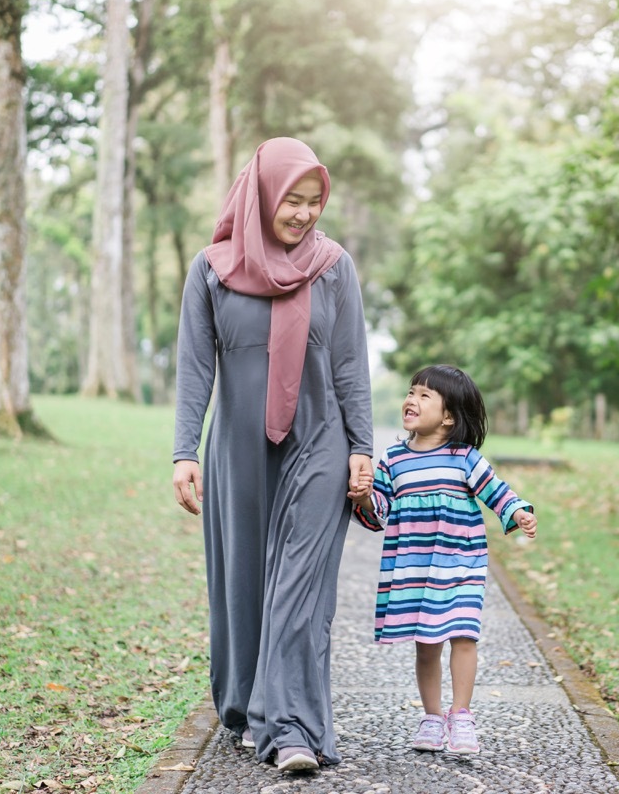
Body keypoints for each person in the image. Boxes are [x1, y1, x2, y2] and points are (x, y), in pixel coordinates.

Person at [172, 137, 374, 773]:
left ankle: (290, 727)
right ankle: (242, 705)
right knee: (243, 583)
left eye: (316, 202)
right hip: (237, 447)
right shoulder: (211, 269)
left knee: (299, 588)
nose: (306, 213)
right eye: (294, 199)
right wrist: (184, 451)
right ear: (262, 194)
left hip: (319, 442)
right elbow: (195, 368)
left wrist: (363, 447)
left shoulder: (333, 266)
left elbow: (350, 366)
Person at [348, 364, 537, 755]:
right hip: (415, 567)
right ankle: (433, 717)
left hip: (461, 564)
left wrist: (517, 511)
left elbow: (496, 491)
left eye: (424, 395)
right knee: (427, 644)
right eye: (411, 391)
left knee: (464, 635)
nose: (411, 399)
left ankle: (462, 715)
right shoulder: (394, 459)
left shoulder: (464, 457)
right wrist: (365, 496)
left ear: (449, 416)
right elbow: (379, 510)